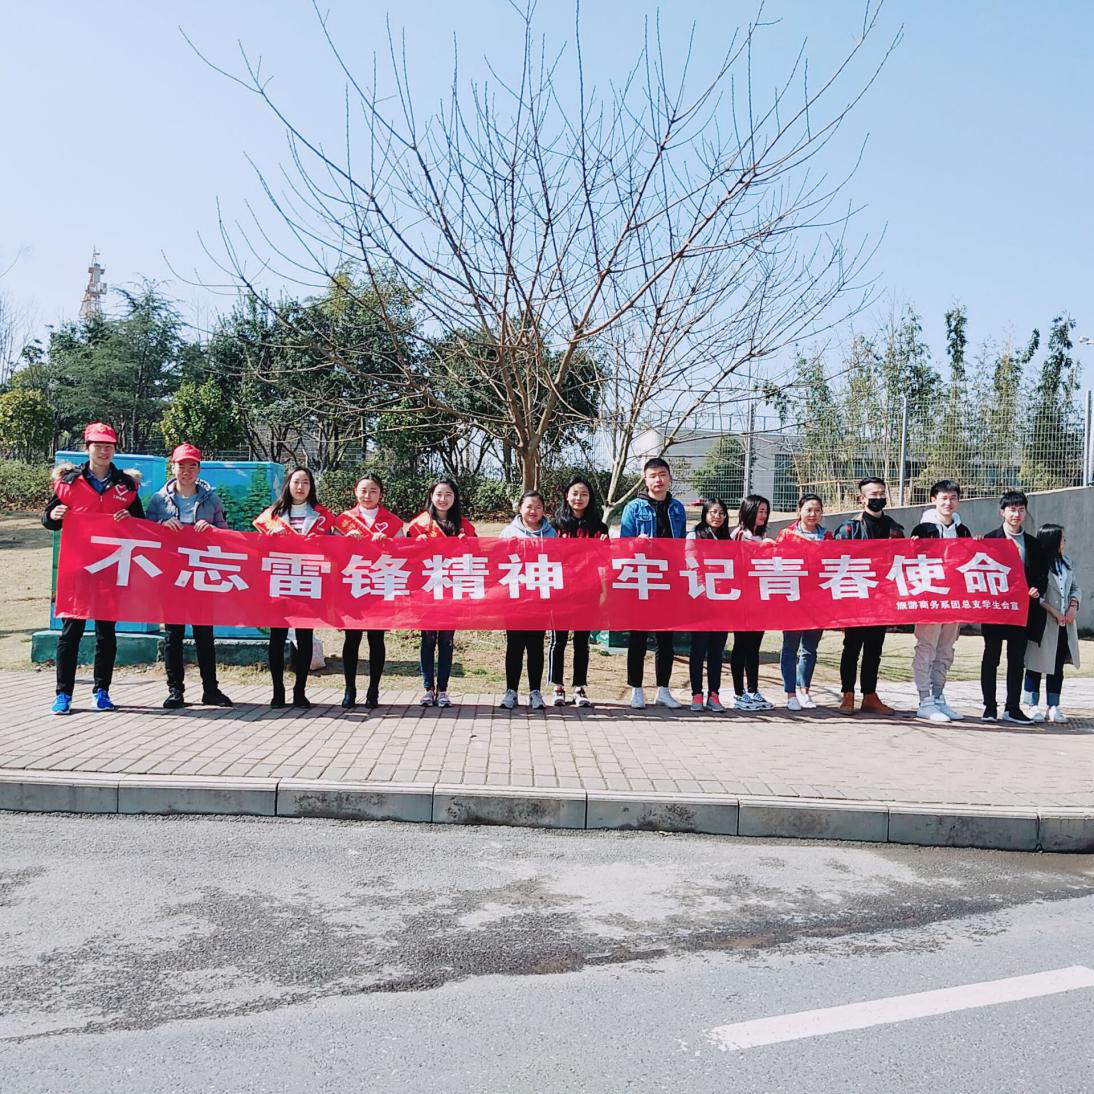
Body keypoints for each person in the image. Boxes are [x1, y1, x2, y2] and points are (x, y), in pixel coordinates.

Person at [42, 422, 145, 715]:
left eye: (108, 446)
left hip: (110, 567)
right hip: (76, 568)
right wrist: (54, 514)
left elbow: (141, 525)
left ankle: (102, 691)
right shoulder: (69, 482)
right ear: (87, 449)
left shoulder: (126, 486)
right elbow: (48, 520)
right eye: (98, 446)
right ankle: (63, 694)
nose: (103, 451)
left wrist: (130, 519)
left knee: (106, 633)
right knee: (70, 633)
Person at [146, 443, 233, 710]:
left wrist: (211, 530)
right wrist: (161, 525)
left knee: (204, 634)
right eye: (181, 465)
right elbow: (145, 533)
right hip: (171, 575)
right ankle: (175, 690)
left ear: (199, 469)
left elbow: (225, 534)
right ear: (172, 467)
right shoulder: (159, 500)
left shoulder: (211, 499)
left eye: (192, 466)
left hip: (201, 573)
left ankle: (211, 690)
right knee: (173, 635)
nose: (186, 471)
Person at [253, 467, 337, 708]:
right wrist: (270, 536)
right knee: (277, 637)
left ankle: (300, 691)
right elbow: (257, 547)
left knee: (305, 636)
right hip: (280, 580)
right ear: (288, 485)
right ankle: (277, 691)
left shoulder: (322, 516)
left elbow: (334, 547)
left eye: (306, 482)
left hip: (309, 581)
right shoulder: (272, 514)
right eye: (296, 482)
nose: (300, 487)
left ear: (311, 487)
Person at [619, 457, 687, 709]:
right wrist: (636, 542)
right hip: (643, 578)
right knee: (638, 636)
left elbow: (682, 543)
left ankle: (663, 690)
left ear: (669, 477)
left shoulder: (677, 508)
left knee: (666, 639)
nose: (658, 480)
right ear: (645, 480)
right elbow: (623, 544)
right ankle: (636, 690)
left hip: (668, 580)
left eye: (662, 474)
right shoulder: (633, 508)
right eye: (653, 476)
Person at [834, 477, 905, 715]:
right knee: (851, 647)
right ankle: (847, 694)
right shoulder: (848, 528)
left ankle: (870, 695)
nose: (878, 498)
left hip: (882, 599)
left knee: (875, 649)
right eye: (873, 494)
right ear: (862, 498)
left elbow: (902, 560)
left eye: (882, 493)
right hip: (855, 597)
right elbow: (836, 560)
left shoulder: (895, 529)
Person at [405, 476, 477, 707]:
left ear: (455, 498)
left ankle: (443, 689)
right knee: (427, 639)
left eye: (448, 495)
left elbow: (477, 556)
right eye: (439, 494)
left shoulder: (464, 525)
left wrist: (468, 543)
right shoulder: (418, 525)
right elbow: (404, 558)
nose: (443, 499)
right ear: (431, 496)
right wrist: (416, 544)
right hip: (426, 590)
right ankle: (428, 688)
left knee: (446, 640)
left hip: (451, 591)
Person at [336, 473, 403, 709]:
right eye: (363, 490)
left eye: (373, 491)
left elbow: (403, 551)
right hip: (353, 584)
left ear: (380, 494)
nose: (367, 495)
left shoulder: (392, 522)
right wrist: (346, 541)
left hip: (379, 584)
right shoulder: (344, 521)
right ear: (355, 492)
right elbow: (332, 553)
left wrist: (389, 542)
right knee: (351, 638)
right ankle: (349, 689)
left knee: (377, 638)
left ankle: (373, 690)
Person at [908, 479, 973, 723]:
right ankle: (924, 700)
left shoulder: (962, 530)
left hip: (953, 600)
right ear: (933, 500)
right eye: (944, 498)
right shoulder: (923, 529)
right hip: (929, 598)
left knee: (946, 650)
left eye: (953, 498)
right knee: (926, 647)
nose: (948, 502)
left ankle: (938, 696)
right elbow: (911, 561)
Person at [981, 490, 1045, 724]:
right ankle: (989, 707)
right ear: (1002, 512)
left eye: (1020, 509)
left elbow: (1041, 575)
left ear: (1025, 512)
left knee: (1017, 660)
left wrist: (1037, 589)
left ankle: (1012, 708)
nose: (1016, 514)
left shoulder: (1033, 544)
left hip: (1021, 611)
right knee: (991, 657)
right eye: (1012, 509)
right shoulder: (989, 540)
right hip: (995, 610)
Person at [548, 475, 609, 708]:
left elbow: (605, 560)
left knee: (582, 641)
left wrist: (603, 590)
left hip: (588, 591)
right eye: (574, 493)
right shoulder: (555, 526)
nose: (579, 498)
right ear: (567, 496)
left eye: (584, 494)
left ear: (590, 498)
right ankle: (557, 686)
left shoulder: (599, 528)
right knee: (558, 640)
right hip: (560, 590)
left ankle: (579, 687)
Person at [498, 490, 558, 710]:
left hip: (539, 599)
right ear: (520, 508)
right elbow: (497, 562)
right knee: (514, 646)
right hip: (514, 599)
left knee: (535, 646)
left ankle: (535, 692)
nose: (533, 511)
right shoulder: (508, 532)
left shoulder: (551, 534)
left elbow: (558, 562)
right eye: (529, 507)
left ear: (544, 510)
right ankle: (511, 691)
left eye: (538, 507)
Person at [775, 493, 832, 710]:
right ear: (799, 511)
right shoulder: (787, 535)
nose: (812, 514)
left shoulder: (827, 537)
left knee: (810, 648)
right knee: (790, 646)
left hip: (818, 600)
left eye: (817, 510)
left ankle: (805, 690)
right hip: (793, 599)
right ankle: (790, 694)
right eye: (808, 509)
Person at [1022, 524, 1080, 724]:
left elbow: (1075, 587)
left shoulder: (1066, 562)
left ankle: (1054, 706)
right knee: (1035, 665)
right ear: (1052, 541)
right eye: (1062, 539)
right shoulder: (1036, 563)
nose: (1065, 543)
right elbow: (1033, 593)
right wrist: (1054, 611)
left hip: (1064, 624)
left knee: (1057, 665)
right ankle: (1031, 705)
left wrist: (1073, 605)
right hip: (1043, 623)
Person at [729, 494, 774, 711]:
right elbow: (734, 561)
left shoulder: (763, 534)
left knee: (755, 646)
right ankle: (738, 692)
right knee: (741, 644)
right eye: (759, 511)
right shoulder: (739, 534)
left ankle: (753, 689)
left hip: (760, 597)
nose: (763, 515)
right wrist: (759, 548)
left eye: (766, 511)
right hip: (741, 598)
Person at [686, 499, 731, 712]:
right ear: (705, 513)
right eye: (713, 512)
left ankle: (714, 694)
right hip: (701, 600)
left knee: (716, 651)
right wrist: (703, 589)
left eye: (721, 513)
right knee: (698, 649)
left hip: (723, 601)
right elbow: (690, 563)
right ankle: (696, 694)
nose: (717, 516)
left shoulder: (728, 539)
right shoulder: (694, 536)